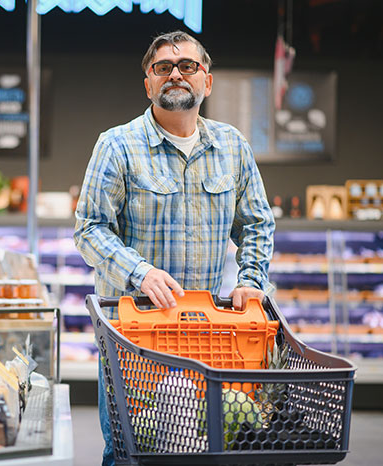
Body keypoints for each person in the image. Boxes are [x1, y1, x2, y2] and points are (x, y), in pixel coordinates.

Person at [73, 31, 275, 465]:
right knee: (132, 450)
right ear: (148, 83)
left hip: (207, 335)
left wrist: (252, 280)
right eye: (163, 67)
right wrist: (139, 271)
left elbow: (257, 223)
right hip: (134, 339)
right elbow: (89, 229)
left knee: (200, 449)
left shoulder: (233, 146)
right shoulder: (117, 146)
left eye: (188, 66)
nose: (175, 74)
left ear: (207, 80)